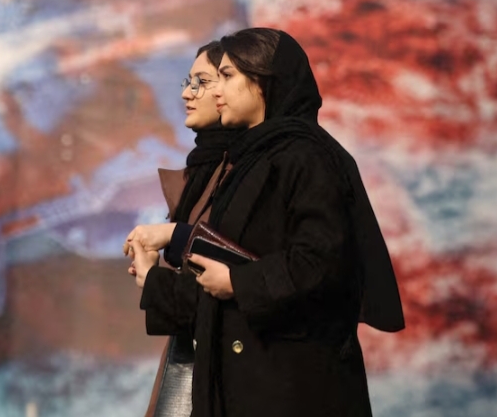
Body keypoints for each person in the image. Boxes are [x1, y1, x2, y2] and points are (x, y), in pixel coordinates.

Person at [131, 28, 404, 417]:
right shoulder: (252, 160)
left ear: (262, 83)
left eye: (226, 77)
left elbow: (322, 263)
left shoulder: (307, 156)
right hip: (249, 380)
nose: (216, 90)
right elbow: (229, 271)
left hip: (292, 387)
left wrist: (235, 282)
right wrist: (159, 278)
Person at [125, 40, 241, 417]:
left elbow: (237, 288)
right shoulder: (204, 171)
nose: (186, 93)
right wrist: (154, 275)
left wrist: (156, 275)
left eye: (202, 82)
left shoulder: (243, 174)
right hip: (193, 364)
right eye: (188, 81)